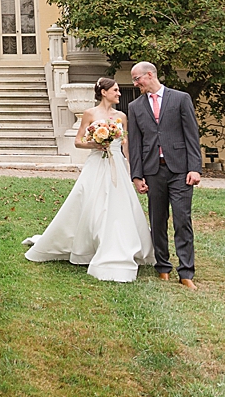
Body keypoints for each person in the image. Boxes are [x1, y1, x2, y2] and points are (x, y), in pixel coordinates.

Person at [23, 77, 154, 282]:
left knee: (120, 204)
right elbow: (78, 141)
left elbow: (126, 145)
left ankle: (120, 243)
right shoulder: (90, 114)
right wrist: (95, 144)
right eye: (116, 90)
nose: (119, 94)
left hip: (116, 164)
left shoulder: (121, 116)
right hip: (97, 164)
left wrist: (133, 170)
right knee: (93, 203)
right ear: (104, 92)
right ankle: (90, 243)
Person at [127, 61, 203, 289]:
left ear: (149, 75)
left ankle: (186, 271)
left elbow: (192, 135)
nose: (135, 83)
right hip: (153, 171)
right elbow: (135, 143)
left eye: (137, 78)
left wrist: (194, 168)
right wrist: (137, 176)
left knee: (182, 220)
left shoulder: (180, 99)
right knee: (157, 221)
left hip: (180, 170)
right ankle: (163, 267)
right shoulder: (135, 106)